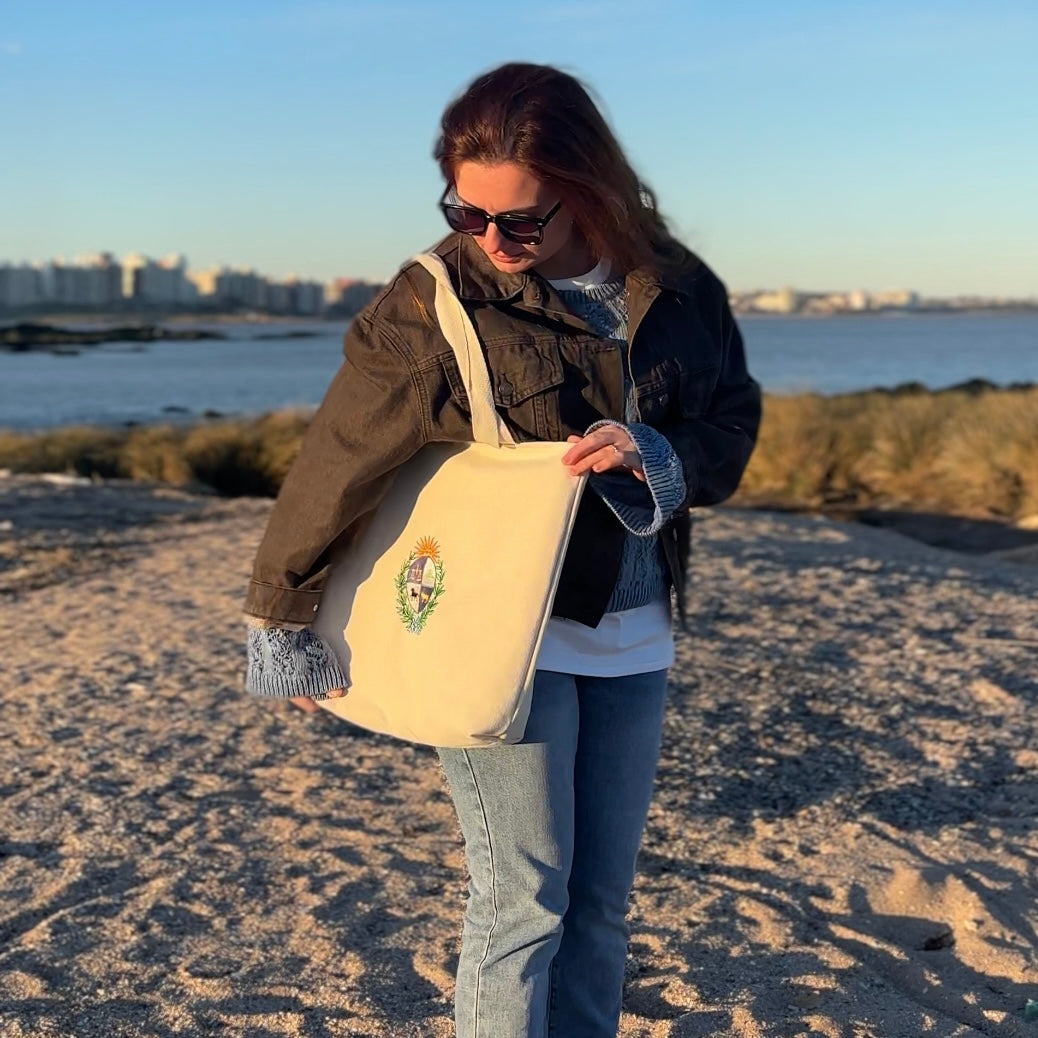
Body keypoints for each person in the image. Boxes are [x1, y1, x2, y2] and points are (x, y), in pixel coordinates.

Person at [244, 62, 761, 1038]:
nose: (489, 239)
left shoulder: (680, 286)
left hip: (637, 627)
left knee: (600, 906)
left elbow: (731, 426)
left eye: (518, 221)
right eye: (466, 212)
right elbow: (340, 458)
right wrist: (283, 614)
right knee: (523, 903)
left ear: (587, 188)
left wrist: (659, 454)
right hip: (497, 635)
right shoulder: (434, 299)